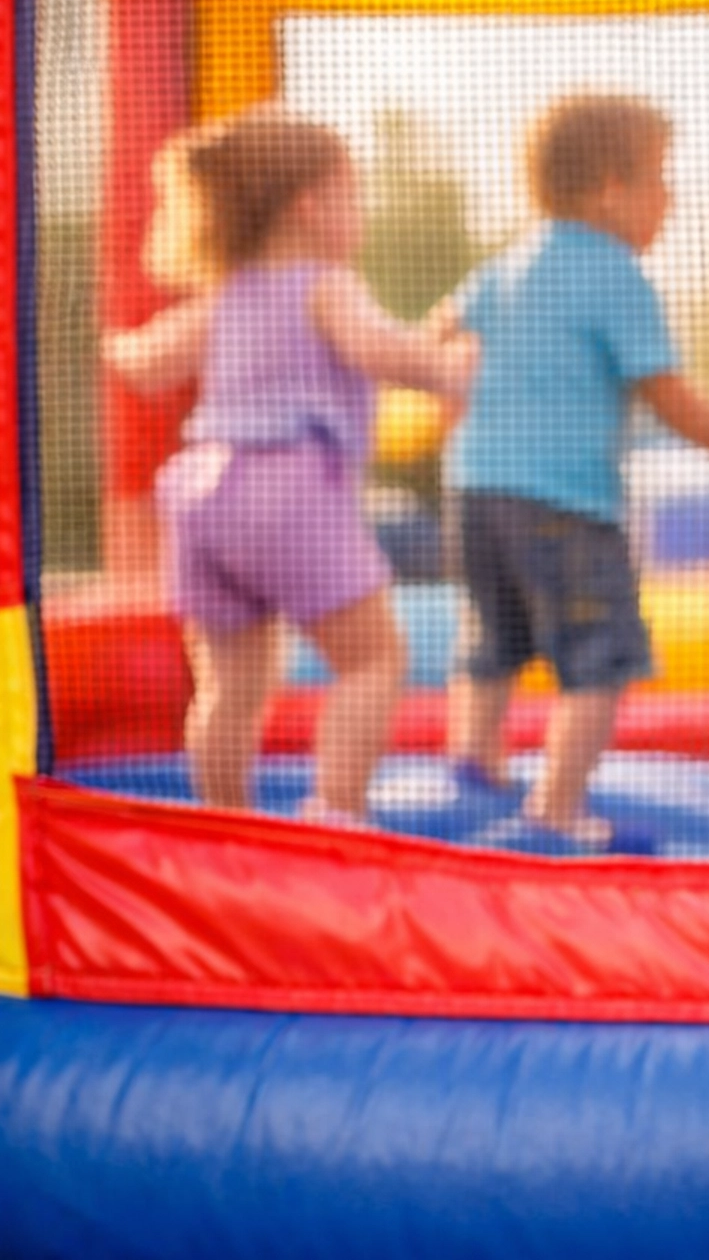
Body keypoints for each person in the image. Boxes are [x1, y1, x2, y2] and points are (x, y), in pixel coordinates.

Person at [104, 108, 473, 824]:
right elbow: (376, 352)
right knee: (372, 660)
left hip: (202, 492)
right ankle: (334, 811)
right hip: (290, 489)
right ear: (312, 205)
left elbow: (146, 364)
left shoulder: (223, 295)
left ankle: (224, 819)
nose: (359, 217)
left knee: (229, 687)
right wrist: (449, 368)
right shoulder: (324, 283)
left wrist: (108, 343)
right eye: (353, 197)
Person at [442, 94, 709, 850]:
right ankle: (555, 807)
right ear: (611, 189)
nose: (671, 198)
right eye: (659, 178)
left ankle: (472, 767)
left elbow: (437, 343)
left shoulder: (503, 266)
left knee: (491, 641)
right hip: (566, 504)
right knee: (598, 660)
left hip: (476, 493)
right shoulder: (615, 273)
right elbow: (668, 396)